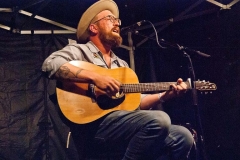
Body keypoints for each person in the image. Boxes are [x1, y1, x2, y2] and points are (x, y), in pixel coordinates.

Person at [42, 0, 194, 159]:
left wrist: (164, 96)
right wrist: (95, 77)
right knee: (160, 119)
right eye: (109, 19)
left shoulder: (121, 65)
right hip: (92, 127)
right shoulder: (79, 51)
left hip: (121, 125)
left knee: (183, 136)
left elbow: (136, 102)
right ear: (93, 27)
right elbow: (50, 65)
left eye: (117, 21)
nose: (116, 24)